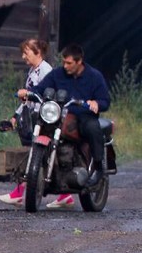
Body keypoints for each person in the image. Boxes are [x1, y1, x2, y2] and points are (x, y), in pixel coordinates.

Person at [18, 43, 110, 190]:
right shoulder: (57, 74)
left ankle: (98, 167)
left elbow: (105, 101)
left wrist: (96, 103)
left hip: (83, 115)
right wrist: (28, 93)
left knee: (92, 127)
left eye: (69, 63)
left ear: (79, 61)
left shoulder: (94, 77)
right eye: (64, 62)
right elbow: (41, 88)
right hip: (60, 114)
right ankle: (42, 164)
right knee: (39, 119)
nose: (65, 66)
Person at [0, 39, 76, 208]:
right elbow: (28, 99)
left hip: (45, 119)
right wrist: (14, 117)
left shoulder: (46, 71)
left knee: (35, 154)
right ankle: (64, 195)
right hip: (33, 117)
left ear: (38, 52)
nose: (23, 56)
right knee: (36, 154)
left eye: (27, 52)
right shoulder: (33, 71)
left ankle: (20, 193)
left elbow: (43, 97)